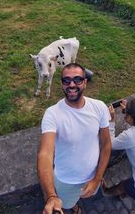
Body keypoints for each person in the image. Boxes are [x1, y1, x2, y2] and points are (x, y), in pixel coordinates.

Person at [37, 63, 112, 214]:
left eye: (77, 79)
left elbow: (106, 144)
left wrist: (97, 178)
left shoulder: (99, 107)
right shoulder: (52, 114)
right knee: (66, 203)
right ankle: (73, 207)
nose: (72, 84)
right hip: (66, 180)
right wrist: (51, 196)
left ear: (85, 82)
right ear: (62, 84)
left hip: (93, 174)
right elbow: (45, 154)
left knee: (85, 195)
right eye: (66, 80)